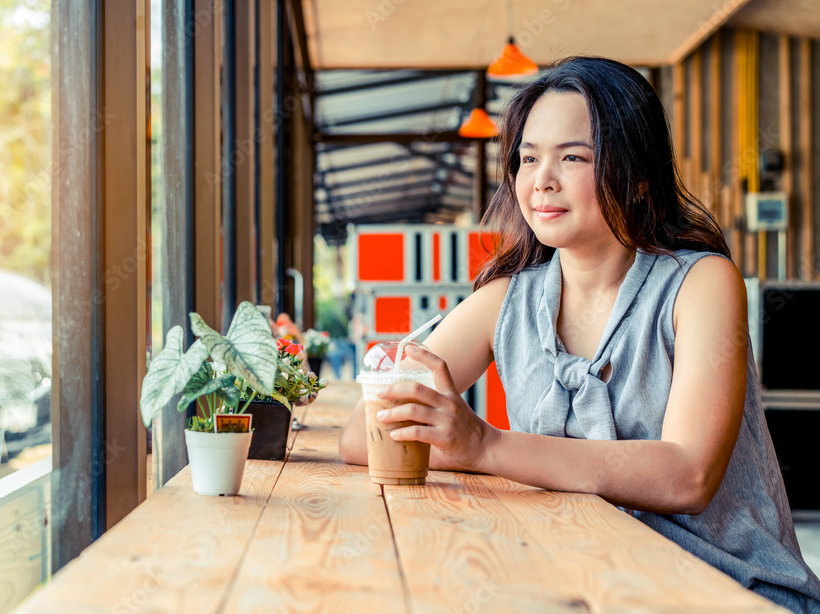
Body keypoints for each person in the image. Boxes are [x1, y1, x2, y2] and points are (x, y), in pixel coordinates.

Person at [338, 56, 820, 612]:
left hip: (726, 591)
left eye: (573, 157)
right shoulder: (506, 301)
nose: (542, 179)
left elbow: (687, 475)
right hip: (590, 582)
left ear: (638, 176)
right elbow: (360, 436)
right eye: (528, 158)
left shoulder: (702, 283)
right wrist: (444, 431)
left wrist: (485, 445)